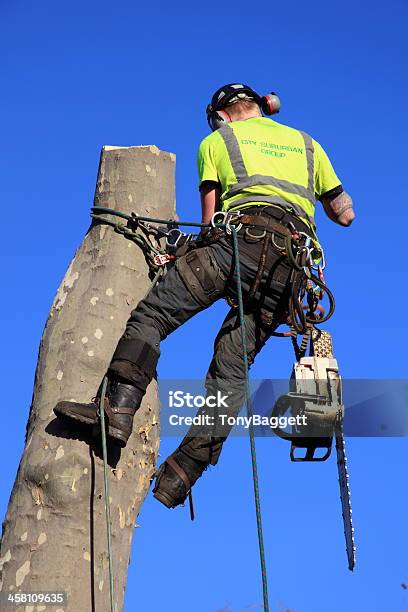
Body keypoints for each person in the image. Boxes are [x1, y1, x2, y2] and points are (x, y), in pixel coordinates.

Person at [54, 83, 355, 509]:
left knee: (153, 316)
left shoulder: (218, 141)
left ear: (223, 115)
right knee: (231, 370)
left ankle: (117, 412)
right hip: (290, 273)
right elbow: (345, 214)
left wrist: (179, 252)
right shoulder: (308, 145)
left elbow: (211, 221)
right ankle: (183, 474)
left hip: (238, 246)